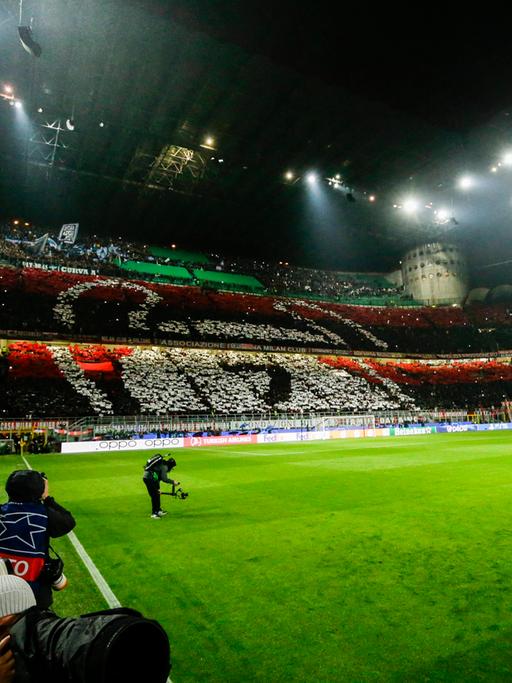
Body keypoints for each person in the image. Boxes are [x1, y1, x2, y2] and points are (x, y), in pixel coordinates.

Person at [0, 471, 76, 609]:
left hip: (3, 591)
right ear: (40, 491)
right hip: (35, 595)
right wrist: (46, 498)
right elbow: (68, 522)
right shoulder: (46, 514)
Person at [142, 454, 178, 519]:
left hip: (152, 479)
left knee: (157, 494)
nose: (172, 469)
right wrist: (173, 482)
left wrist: (158, 488)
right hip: (149, 479)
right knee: (154, 496)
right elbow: (164, 479)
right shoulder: (164, 467)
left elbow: (158, 477)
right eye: (172, 467)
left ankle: (158, 510)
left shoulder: (161, 464)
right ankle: (154, 513)